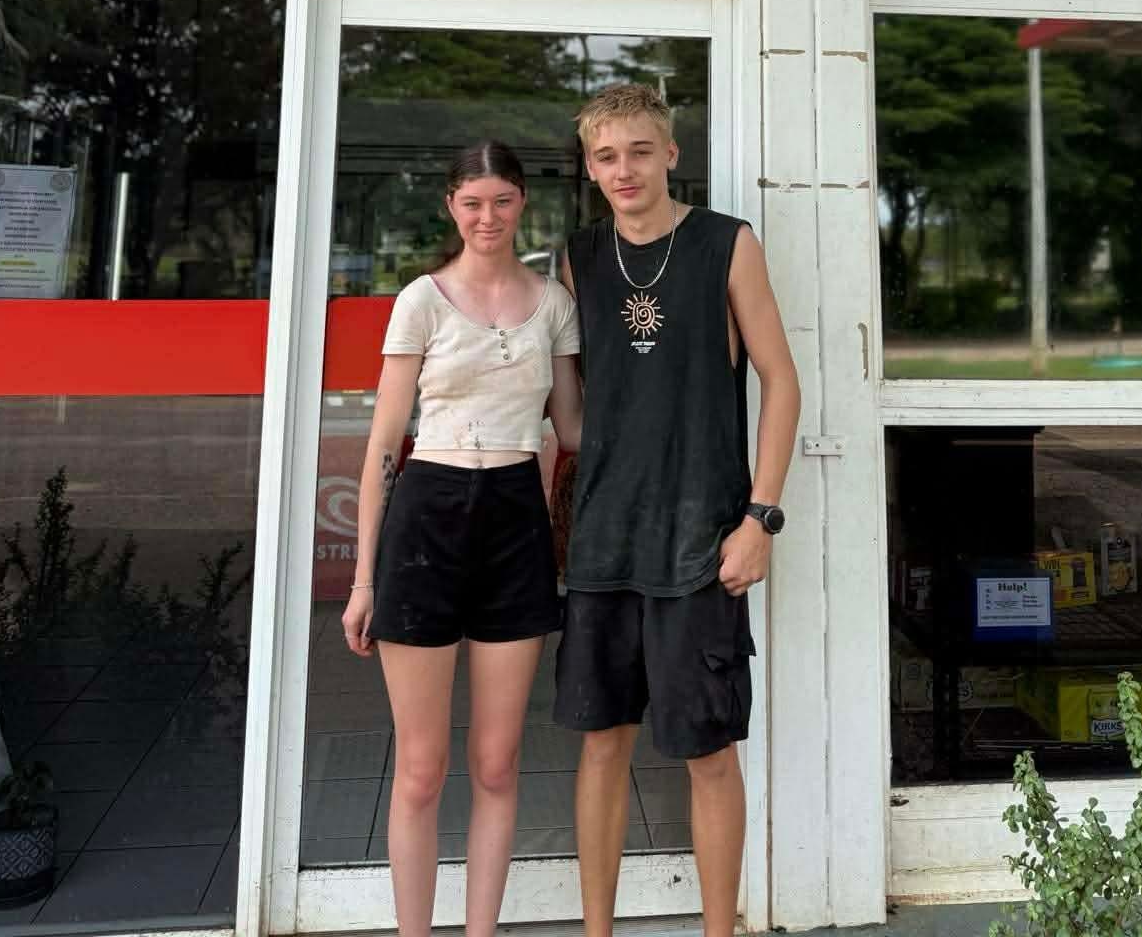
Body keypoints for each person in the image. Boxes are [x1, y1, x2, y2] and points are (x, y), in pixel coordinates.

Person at [553, 83, 801, 937]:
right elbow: (570, 410)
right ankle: (596, 933)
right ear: (590, 167)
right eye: (606, 156)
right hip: (602, 541)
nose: (624, 169)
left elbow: (782, 383)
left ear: (670, 153)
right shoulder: (575, 256)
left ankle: (718, 933)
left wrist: (760, 518)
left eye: (638, 151)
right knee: (601, 745)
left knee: (706, 751)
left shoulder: (726, 245)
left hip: (701, 539)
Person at [342, 141, 582, 937]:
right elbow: (383, 441)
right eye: (473, 202)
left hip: (515, 512)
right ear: (452, 204)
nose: (488, 217)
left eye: (504, 201)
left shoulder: (553, 303)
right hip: (427, 513)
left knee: (496, 764)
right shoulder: (422, 299)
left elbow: (574, 427)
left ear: (523, 205)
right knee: (420, 769)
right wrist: (365, 579)